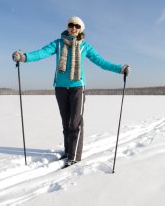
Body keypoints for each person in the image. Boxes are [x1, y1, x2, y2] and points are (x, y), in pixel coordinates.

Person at [12, 16, 130, 167]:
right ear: (67, 26)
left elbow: (101, 62)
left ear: (81, 29)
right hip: (60, 87)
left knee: (75, 122)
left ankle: (74, 156)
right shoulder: (58, 43)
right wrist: (24, 57)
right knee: (66, 122)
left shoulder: (85, 46)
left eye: (76, 26)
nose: (73, 28)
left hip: (77, 87)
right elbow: (41, 53)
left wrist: (120, 69)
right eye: (71, 25)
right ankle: (68, 151)